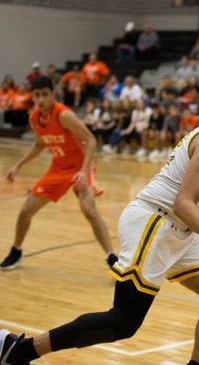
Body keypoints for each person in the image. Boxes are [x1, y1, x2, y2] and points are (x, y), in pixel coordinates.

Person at [0, 68, 199, 365]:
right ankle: (18, 349)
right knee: (122, 322)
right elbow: (183, 202)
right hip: (155, 221)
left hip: (178, 227)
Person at [0, 76, 116, 270]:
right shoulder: (34, 118)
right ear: (32, 97)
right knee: (25, 211)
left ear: (53, 94)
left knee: (88, 208)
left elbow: (91, 140)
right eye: (37, 95)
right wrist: (18, 166)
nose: (41, 99)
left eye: (45, 94)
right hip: (58, 168)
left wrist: (83, 171)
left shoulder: (64, 115)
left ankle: (113, 258)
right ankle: (16, 250)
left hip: (80, 166)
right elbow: (39, 145)